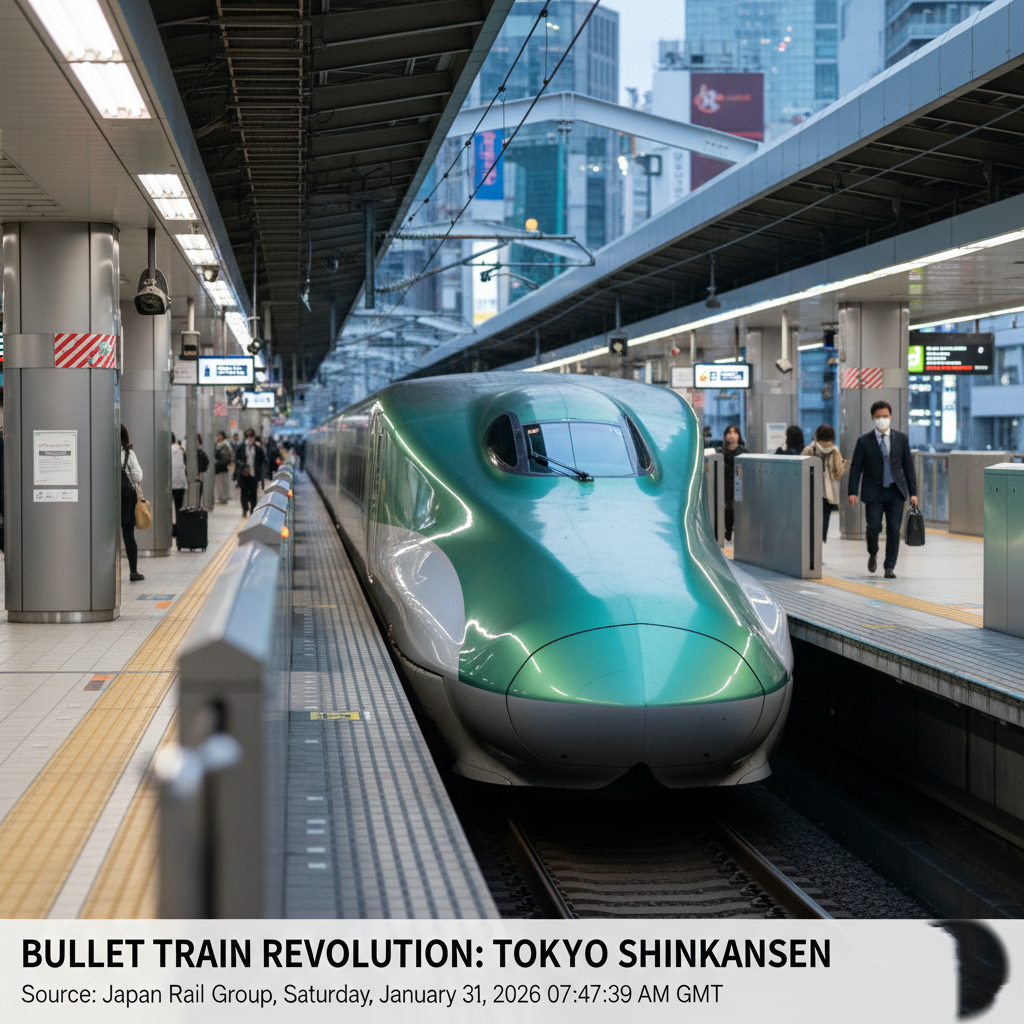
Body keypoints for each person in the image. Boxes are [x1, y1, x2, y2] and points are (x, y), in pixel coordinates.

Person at [847, 401, 918, 578]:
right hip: (874, 493)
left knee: (894, 529)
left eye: (885, 416)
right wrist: (852, 491)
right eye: (878, 417)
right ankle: (873, 552)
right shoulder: (864, 441)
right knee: (873, 527)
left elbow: (908, 467)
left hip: (895, 492)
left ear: (890, 416)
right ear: (873, 418)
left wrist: (913, 493)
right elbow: (856, 468)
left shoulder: (901, 439)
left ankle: (889, 566)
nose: (882, 419)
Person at [802, 424, 848, 542]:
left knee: (810, 517)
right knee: (825, 518)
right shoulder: (835, 451)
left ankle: (810, 542)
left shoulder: (809, 449)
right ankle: (821, 542)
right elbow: (838, 473)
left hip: (811, 489)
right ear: (832, 437)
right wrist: (844, 464)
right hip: (828, 491)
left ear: (817, 435)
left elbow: (801, 468)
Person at [716, 424, 748, 543]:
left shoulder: (744, 453)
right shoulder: (720, 453)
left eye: (734, 432)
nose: (732, 435)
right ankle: (727, 530)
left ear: (739, 436)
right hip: (725, 484)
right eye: (729, 433)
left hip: (739, 485)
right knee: (726, 508)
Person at [120, 425, 145, 582]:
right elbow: (138, 477)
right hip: (126, 500)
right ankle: (133, 572)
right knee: (129, 536)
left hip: (107, 500)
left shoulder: (103, 452)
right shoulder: (128, 453)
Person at [235, 428, 265, 516]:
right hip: (244, 473)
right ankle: (245, 508)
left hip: (254, 473)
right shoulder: (241, 447)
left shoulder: (258, 448)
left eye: (251, 436)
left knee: (253, 493)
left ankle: (253, 509)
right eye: (247, 436)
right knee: (244, 492)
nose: (249, 438)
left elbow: (262, 460)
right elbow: (237, 459)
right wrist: (243, 465)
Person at [171, 433, 186, 534]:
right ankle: (179, 528)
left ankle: (170, 528)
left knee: (167, 508)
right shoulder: (181, 450)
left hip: (169, 483)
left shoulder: (165, 450)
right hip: (180, 483)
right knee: (178, 507)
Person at [214, 431, 233, 504]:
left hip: (223, 466)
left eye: (220, 436)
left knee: (224, 482)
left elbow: (228, 455)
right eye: (218, 436)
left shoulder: (225, 445)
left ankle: (225, 497)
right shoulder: (216, 445)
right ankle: (220, 496)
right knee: (218, 483)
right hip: (217, 466)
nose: (219, 437)